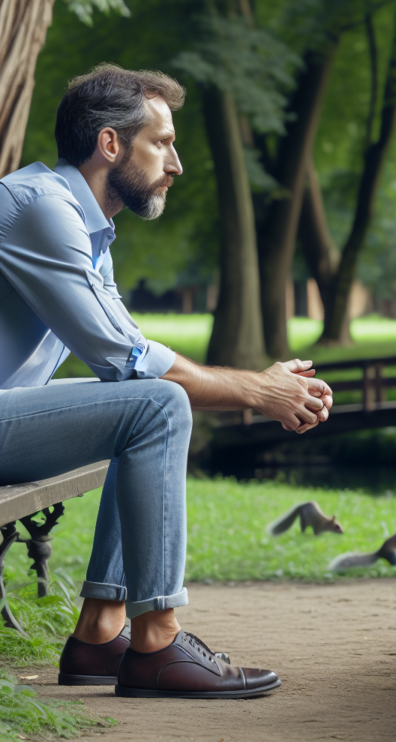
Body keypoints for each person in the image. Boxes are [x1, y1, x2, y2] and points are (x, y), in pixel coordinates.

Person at [0, 64, 333, 699]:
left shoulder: (85, 222)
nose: (175, 164)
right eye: (163, 142)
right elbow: (125, 355)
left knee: (150, 404)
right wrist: (259, 390)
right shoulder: (40, 208)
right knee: (155, 405)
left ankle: (102, 633)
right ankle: (155, 644)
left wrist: (257, 387)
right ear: (110, 145)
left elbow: (126, 355)